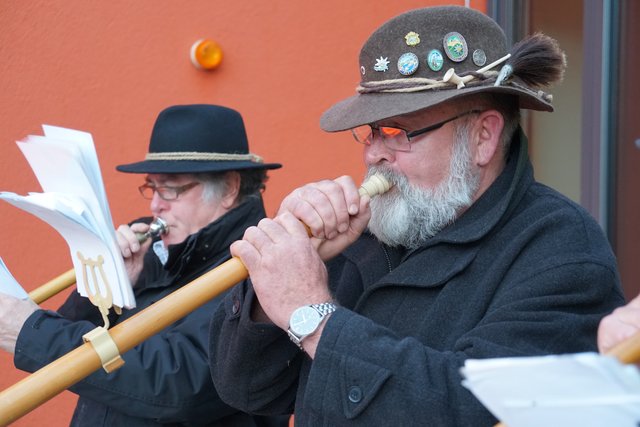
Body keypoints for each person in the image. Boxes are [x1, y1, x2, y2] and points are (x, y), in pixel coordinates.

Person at [208, 6, 626, 426]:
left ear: (483, 136)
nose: (373, 154)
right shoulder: (370, 229)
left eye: (397, 131)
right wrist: (275, 287)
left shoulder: (563, 248)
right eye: (371, 132)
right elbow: (247, 389)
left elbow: (479, 411)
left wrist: (312, 315)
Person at [0, 104, 289, 426]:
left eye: (170, 189)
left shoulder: (260, 266)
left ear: (230, 188)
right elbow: (72, 350)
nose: (154, 204)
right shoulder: (155, 251)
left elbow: (179, 385)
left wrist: (33, 332)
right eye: (152, 187)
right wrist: (107, 282)